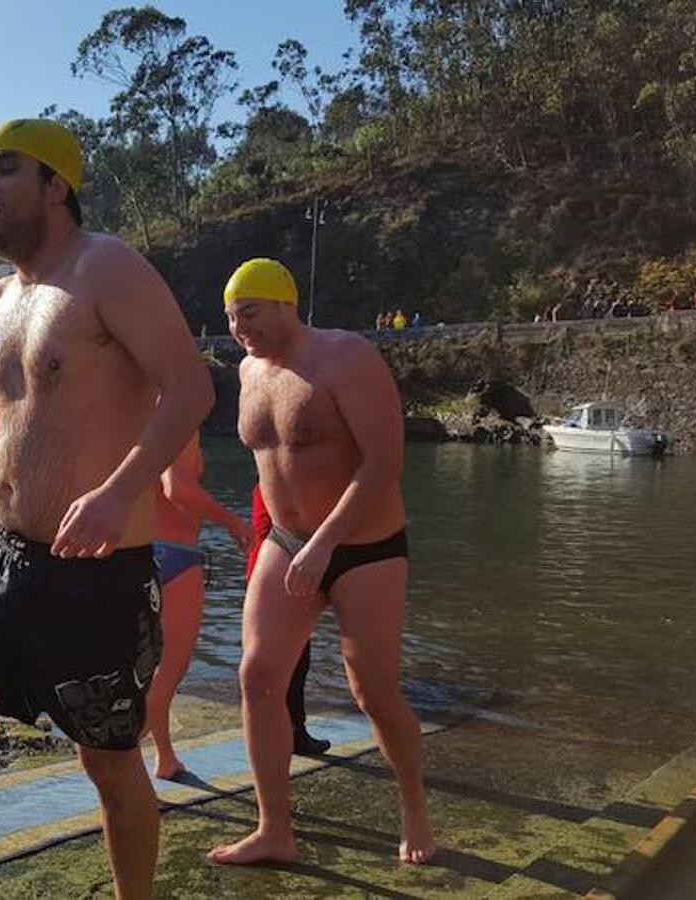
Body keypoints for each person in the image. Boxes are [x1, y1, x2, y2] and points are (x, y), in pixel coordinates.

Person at [0, 118, 214, 900]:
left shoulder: (107, 268)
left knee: (106, 761)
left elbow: (190, 389)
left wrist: (115, 493)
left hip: (94, 573)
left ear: (55, 185)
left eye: (4, 170)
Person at [208, 258, 434, 867]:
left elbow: (384, 461)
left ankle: (413, 806)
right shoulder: (248, 371)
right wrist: (272, 537)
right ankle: (273, 829)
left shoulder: (346, 357)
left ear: (285, 303)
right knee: (257, 679)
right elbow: (271, 465)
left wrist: (327, 541)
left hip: (365, 548)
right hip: (286, 542)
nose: (238, 327)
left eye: (248, 312)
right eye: (230, 317)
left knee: (374, 691)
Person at [147, 434, 253, 780]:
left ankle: (165, 757)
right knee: (171, 669)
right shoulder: (179, 418)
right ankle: (121, 752)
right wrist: (232, 521)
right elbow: (178, 489)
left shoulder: (128, 409)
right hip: (175, 554)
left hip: (135, 551)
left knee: (145, 669)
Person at [247, 484, 330, 759]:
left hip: (264, 568)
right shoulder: (282, 487)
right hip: (282, 572)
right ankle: (294, 731)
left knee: (278, 662)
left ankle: (290, 729)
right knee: (295, 662)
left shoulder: (268, 482)